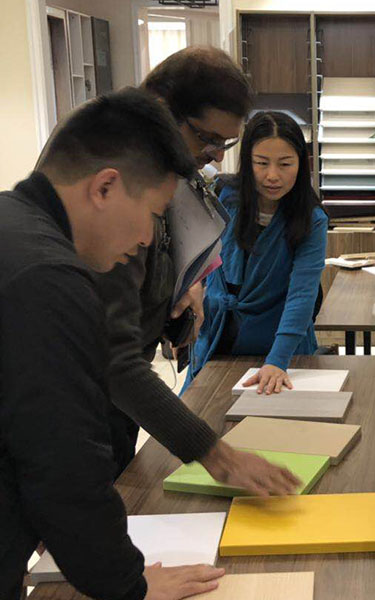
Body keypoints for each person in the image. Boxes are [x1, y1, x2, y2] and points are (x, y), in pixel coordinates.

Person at [0, 89, 227, 600]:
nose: (147, 238)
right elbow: (64, 466)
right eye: (153, 213)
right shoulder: (50, 278)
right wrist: (129, 585)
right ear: (104, 187)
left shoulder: (13, 229)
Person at [94, 47, 299, 495]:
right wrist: (216, 455)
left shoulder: (155, 158)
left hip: (121, 386)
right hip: (84, 396)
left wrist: (179, 285)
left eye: (226, 144)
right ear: (162, 108)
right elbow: (112, 358)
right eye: (208, 139)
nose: (217, 157)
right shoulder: (111, 171)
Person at [185, 111, 328, 395]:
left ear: (301, 164)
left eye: (285, 164)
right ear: (247, 161)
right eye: (261, 163)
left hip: (281, 348)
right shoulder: (224, 197)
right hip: (218, 341)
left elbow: (302, 294)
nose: (272, 175)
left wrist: (277, 361)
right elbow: (197, 257)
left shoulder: (311, 220)